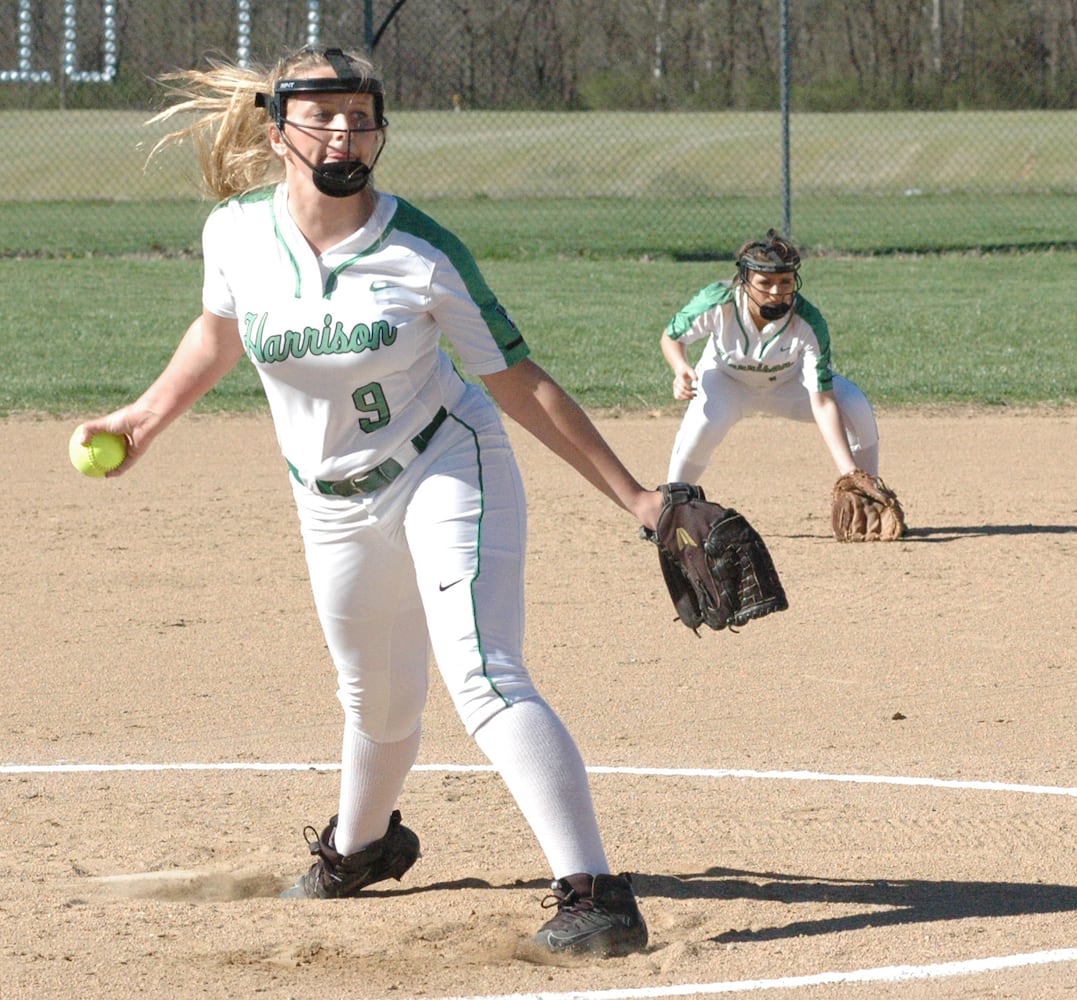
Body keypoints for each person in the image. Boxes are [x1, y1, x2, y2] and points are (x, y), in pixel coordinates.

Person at [74, 45, 658, 958]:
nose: (345, 130)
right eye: (323, 114)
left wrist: (638, 497)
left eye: (361, 114)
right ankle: (363, 847)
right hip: (330, 498)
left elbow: (515, 379)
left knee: (484, 672)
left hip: (445, 466)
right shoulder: (234, 233)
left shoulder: (421, 248)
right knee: (375, 703)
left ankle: (595, 891)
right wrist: (146, 417)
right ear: (278, 131)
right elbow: (218, 332)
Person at [660, 230, 883, 490]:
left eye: (786, 282)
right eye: (765, 282)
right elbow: (672, 335)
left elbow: (822, 402)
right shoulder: (719, 301)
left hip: (788, 386)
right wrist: (680, 367)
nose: (777, 292)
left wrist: (849, 473)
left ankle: (868, 493)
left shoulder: (808, 320)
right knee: (702, 428)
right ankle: (669, 507)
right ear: (744, 280)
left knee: (854, 405)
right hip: (726, 382)